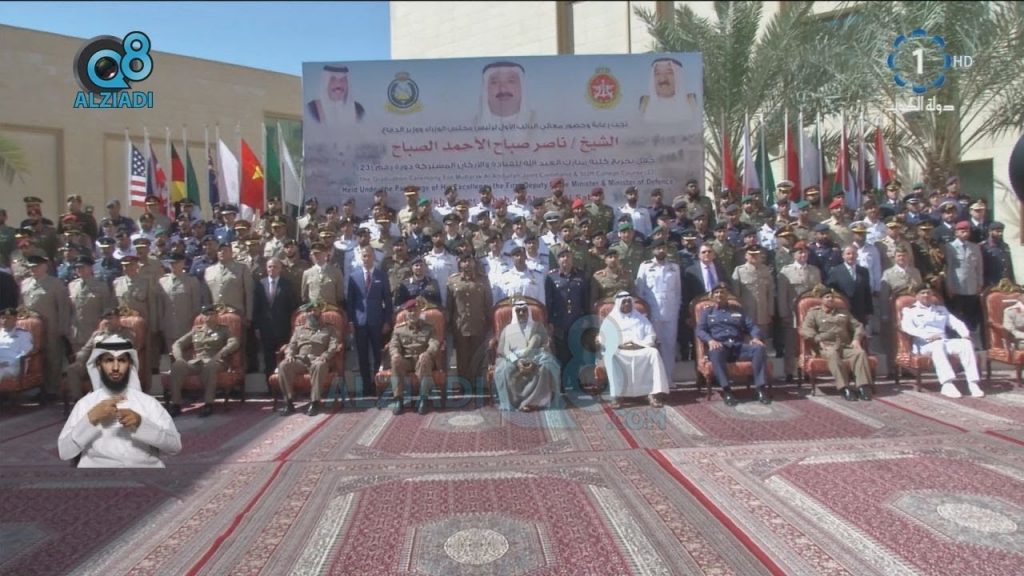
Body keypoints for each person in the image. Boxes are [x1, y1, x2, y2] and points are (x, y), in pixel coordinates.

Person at [58, 335, 181, 468]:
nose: (115, 367)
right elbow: (64, 452)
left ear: (130, 364)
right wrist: (90, 419)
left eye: (121, 360)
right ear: (98, 365)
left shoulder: (148, 404)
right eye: (109, 360)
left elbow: (175, 446)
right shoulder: (85, 404)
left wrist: (141, 423)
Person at [900, 285, 983, 398]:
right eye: (922, 293)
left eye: (928, 293)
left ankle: (973, 383)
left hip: (944, 341)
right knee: (937, 345)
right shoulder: (910, 311)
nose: (926, 295)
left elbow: (956, 322)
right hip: (924, 345)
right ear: (916, 296)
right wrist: (927, 336)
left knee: (966, 344)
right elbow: (907, 327)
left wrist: (965, 334)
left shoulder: (941, 310)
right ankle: (947, 384)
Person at [695, 284, 770, 406]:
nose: (719, 295)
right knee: (715, 352)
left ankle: (760, 389)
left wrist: (755, 338)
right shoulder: (707, 312)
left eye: (722, 292)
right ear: (712, 296)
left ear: (727, 295)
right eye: (716, 292)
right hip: (721, 347)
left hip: (738, 347)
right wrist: (710, 341)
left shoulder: (738, 310)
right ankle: (727, 391)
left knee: (758, 349)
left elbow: (752, 326)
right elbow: (700, 330)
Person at [597, 292, 671, 409]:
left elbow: (651, 335)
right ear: (618, 304)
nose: (627, 304)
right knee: (611, 356)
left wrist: (642, 344)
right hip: (620, 350)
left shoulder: (641, 318)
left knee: (653, 353)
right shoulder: (611, 320)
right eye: (624, 302)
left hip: (640, 348)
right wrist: (618, 345)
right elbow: (603, 337)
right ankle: (617, 395)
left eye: (629, 301)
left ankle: (654, 394)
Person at [799, 287, 874, 401]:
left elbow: (858, 326)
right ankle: (844, 388)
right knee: (833, 355)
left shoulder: (843, 312)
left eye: (832, 297)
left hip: (845, 345)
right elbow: (805, 329)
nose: (831, 299)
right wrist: (817, 339)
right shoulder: (814, 313)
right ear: (821, 300)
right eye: (827, 297)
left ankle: (863, 386)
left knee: (859, 353)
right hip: (826, 347)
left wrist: (856, 339)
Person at [168, 305, 239, 417]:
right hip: (197, 362)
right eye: (206, 314)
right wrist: (179, 358)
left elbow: (234, 342)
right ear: (202, 316)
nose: (209, 317)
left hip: (216, 361)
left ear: (217, 316)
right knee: (177, 366)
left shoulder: (224, 329)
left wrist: (222, 353)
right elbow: (178, 344)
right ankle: (176, 404)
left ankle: (208, 404)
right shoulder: (196, 330)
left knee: (210, 367)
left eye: (212, 314)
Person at [494, 299, 559, 412]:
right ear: (514, 313)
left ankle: (536, 402)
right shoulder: (508, 329)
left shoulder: (538, 326)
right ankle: (515, 403)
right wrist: (517, 362)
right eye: (518, 311)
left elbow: (545, 346)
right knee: (504, 370)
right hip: (513, 358)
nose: (521, 313)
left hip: (536, 357)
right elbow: (504, 350)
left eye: (524, 310)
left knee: (546, 366)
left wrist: (533, 360)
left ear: (528, 312)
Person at [277, 303, 340, 415]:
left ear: (320, 313)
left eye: (315, 310)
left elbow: (333, 345)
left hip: (318, 359)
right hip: (300, 360)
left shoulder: (329, 329)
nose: (312, 313)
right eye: (310, 310)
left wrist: (325, 356)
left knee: (319, 366)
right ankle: (288, 402)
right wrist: (289, 354)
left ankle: (315, 402)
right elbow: (292, 345)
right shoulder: (299, 329)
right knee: (283, 365)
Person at [346, 246, 392, 398]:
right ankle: (366, 386)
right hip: (360, 322)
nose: (366, 258)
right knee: (363, 356)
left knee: (379, 355)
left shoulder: (381, 276)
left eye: (369, 256)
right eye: (364, 256)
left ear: (374, 257)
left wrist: (387, 321)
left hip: (377, 321)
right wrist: (351, 321)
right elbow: (350, 301)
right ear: (361, 258)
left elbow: (388, 300)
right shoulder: (354, 276)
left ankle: (378, 385)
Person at [388, 297, 441, 415]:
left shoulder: (429, 328)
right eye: (410, 311)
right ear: (406, 313)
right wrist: (396, 354)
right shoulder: (398, 329)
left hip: (423, 360)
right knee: (395, 360)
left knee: (424, 359)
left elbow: (435, 343)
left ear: (420, 312)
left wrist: (428, 353)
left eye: (415, 310)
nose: (412, 313)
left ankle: (423, 399)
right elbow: (393, 345)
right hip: (407, 361)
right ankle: (398, 400)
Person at [639, 57, 699, 124]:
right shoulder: (644, 102)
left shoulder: (692, 100)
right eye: (657, 73)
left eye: (669, 73)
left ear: (679, 76)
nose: (663, 79)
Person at [475, 60, 534, 126]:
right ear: (485, 90)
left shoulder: (537, 119)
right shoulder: (473, 123)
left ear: (522, 88)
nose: (502, 89)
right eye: (494, 82)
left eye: (510, 81)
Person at [0, 307, 32, 379]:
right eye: (2, 318)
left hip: (12, 366)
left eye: (8, 318)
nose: (5, 320)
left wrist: (8, 363)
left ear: (15, 320)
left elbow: (25, 352)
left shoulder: (23, 334)